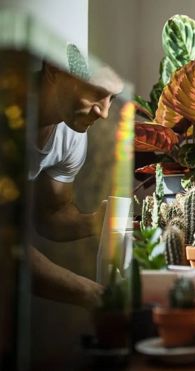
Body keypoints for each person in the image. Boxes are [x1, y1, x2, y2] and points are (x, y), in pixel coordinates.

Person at [28, 46, 124, 309]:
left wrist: (95, 223)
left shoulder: (70, 136)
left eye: (112, 99)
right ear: (54, 69)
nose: (104, 113)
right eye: (97, 94)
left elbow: (51, 215)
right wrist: (96, 295)